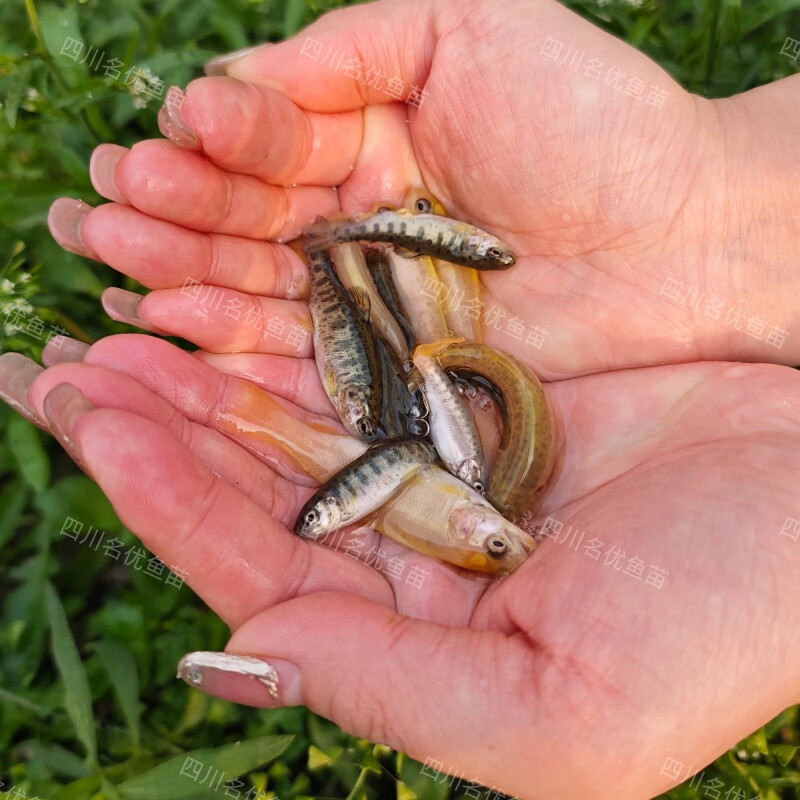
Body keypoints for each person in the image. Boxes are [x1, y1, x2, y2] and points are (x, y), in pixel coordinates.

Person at [1, 0, 799, 796]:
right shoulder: (430, 422)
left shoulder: (447, 435)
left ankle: (346, 268)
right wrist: (721, 188)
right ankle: (342, 266)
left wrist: (712, 195)